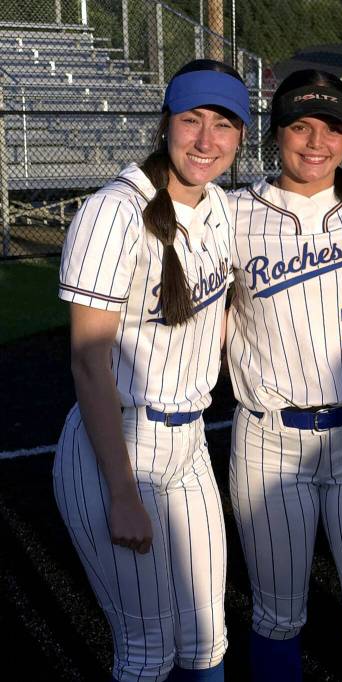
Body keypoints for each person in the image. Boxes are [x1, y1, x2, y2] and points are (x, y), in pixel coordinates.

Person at [53, 59, 248, 681]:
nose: (206, 140)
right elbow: (88, 363)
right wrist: (122, 494)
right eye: (192, 119)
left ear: (242, 136)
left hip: (187, 445)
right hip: (119, 447)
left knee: (207, 638)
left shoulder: (218, 207)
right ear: (166, 123)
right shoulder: (114, 211)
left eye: (223, 124)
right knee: (146, 649)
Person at [225, 69, 342, 682]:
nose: (316, 142)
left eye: (332, 128)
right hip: (271, 440)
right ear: (275, 133)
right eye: (300, 126)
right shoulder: (234, 212)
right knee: (277, 614)